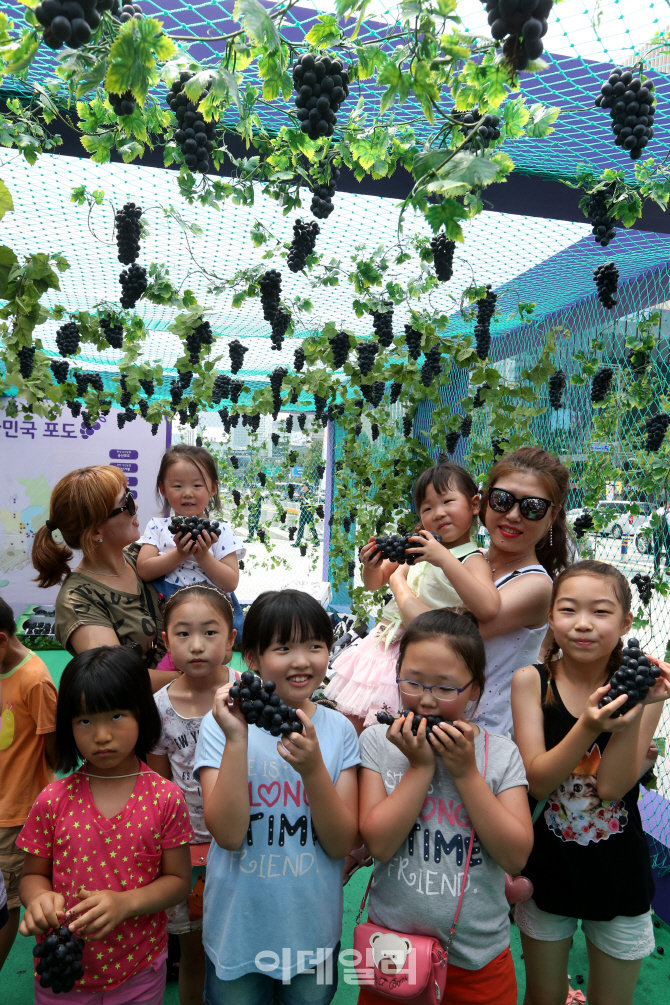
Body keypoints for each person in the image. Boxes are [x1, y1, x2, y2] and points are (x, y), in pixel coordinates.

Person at [511, 560, 670, 1005]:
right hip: (547, 869)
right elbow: (538, 781)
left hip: (620, 872)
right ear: (550, 617)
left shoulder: (643, 686)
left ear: (625, 622)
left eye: (600, 612)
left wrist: (633, 713)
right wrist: (588, 726)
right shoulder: (530, 681)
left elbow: (613, 788)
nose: (582, 624)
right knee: (543, 995)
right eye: (568, 610)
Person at [358, 608, 533, 1005]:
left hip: (477, 959)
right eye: (413, 683)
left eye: (445, 687)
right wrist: (420, 768)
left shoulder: (500, 755)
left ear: (475, 689)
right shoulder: (378, 743)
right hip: (391, 951)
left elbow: (516, 855)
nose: (426, 701)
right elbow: (380, 845)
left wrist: (467, 774)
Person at [194, 589, 360, 1005]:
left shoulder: (339, 731)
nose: (302, 660)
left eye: (315, 646)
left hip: (311, 932)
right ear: (252, 658)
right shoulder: (222, 726)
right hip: (238, 929)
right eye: (283, 647)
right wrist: (236, 739)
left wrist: (312, 768)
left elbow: (341, 843)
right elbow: (229, 835)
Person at [16, 646, 193, 1003]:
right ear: (67, 724)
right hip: (62, 973)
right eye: (84, 720)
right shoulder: (52, 799)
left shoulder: (166, 798)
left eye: (116, 716)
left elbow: (178, 882)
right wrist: (39, 899)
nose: (101, 735)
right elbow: (33, 875)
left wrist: (126, 903)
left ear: (142, 714)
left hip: (139, 972)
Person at [325, 462, 500, 731]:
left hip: (420, 659)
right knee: (356, 725)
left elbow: (488, 607)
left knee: (396, 728)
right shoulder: (421, 547)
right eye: (428, 508)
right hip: (382, 647)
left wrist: (444, 559)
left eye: (447, 502)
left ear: (475, 504)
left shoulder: (472, 558)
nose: (438, 513)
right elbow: (377, 581)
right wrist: (370, 566)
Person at [147, 584, 237, 1005]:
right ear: (165, 641)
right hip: (190, 853)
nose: (197, 646)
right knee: (195, 955)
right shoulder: (159, 708)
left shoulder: (248, 694)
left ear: (232, 638)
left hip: (244, 844)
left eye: (210, 633)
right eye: (183, 634)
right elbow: (162, 793)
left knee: (244, 944)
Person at [32, 465, 170, 692]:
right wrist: (196, 678)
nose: (136, 509)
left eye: (130, 497)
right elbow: (117, 679)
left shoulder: (142, 558)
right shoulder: (78, 599)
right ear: (96, 532)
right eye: (126, 504)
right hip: (140, 717)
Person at [473, 446, 570, 737]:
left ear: (551, 517)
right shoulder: (472, 560)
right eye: (502, 500)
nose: (514, 515)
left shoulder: (537, 585)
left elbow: (441, 634)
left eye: (532, 507)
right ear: (485, 502)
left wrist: (400, 583)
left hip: (486, 734)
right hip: (432, 708)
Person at [136, 443, 245, 641]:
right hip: (168, 612)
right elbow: (144, 569)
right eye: (177, 486)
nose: (187, 493)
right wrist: (180, 554)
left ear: (213, 488)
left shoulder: (221, 531)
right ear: (163, 489)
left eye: (197, 485)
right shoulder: (157, 526)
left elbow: (230, 582)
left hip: (211, 613)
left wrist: (203, 555)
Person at [0, 597, 57, 971]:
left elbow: (57, 752)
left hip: (15, 814)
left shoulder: (35, 681)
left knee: (7, 901)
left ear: (1, 641)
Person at [292, 483, 320, 548]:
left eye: (302, 486)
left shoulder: (310, 493)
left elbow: (312, 502)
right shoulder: (303, 493)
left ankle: (317, 541)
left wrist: (304, 499)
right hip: (303, 512)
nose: (301, 487)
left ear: (306, 486)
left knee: (312, 527)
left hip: (309, 513)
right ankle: (297, 542)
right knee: (301, 527)